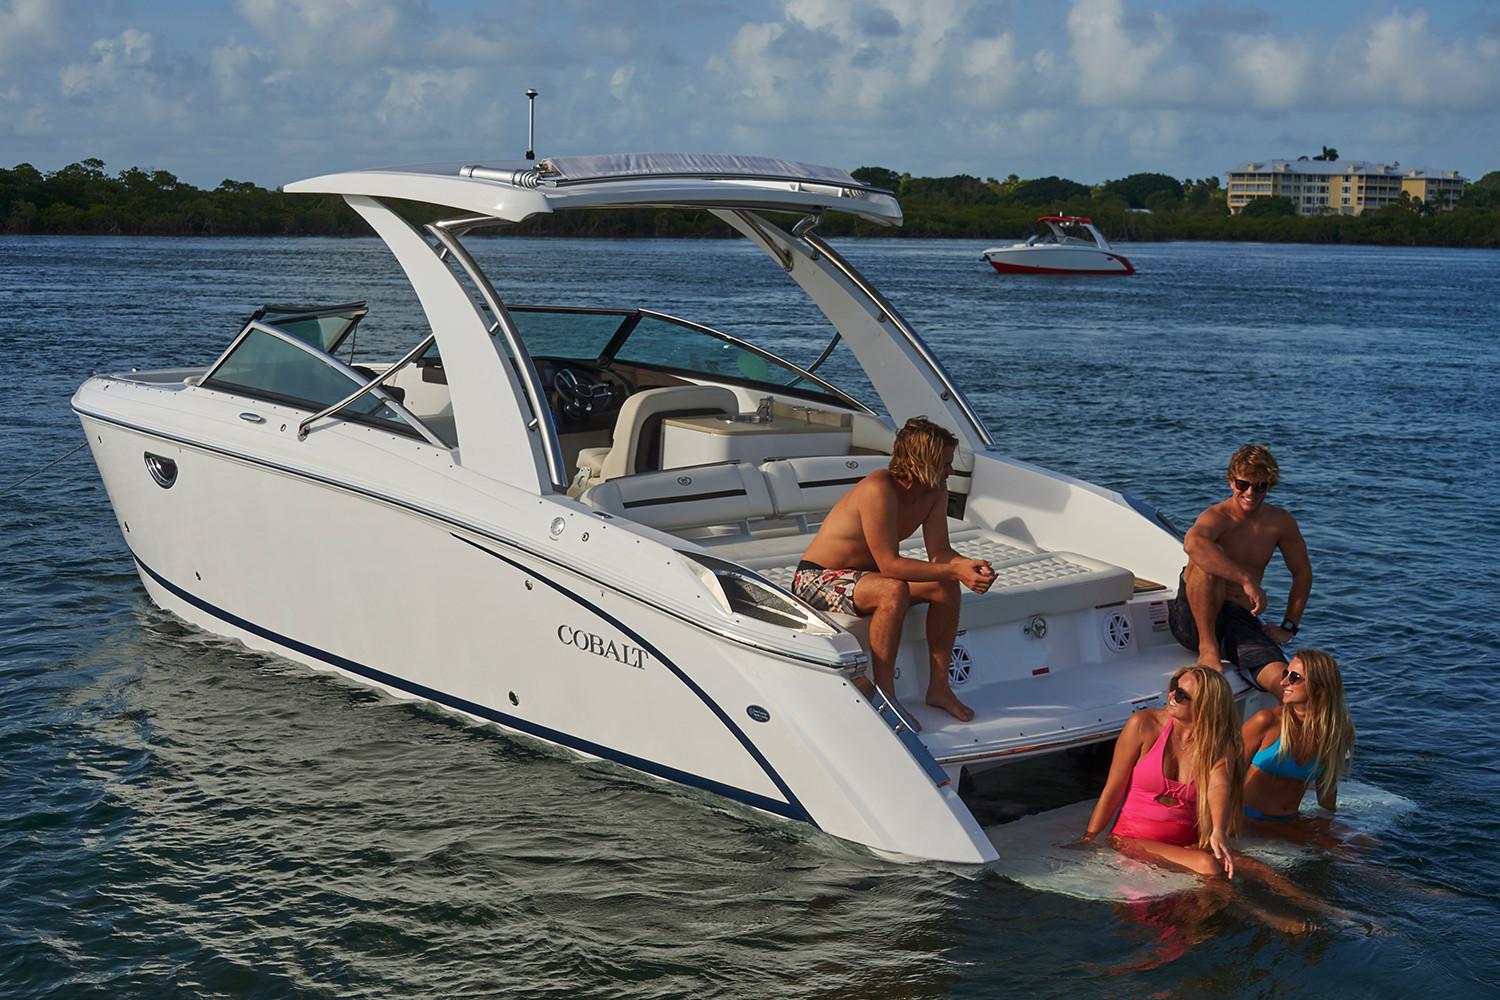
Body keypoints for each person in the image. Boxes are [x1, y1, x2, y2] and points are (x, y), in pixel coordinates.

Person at [792, 417, 995, 727]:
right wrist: (954, 571)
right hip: (816, 579)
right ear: (920, 462)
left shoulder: (935, 490)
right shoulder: (879, 489)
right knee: (893, 589)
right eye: (944, 463)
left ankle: (939, 688)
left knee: (944, 586)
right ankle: (885, 697)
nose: (950, 471)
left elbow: (940, 552)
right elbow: (890, 566)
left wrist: (965, 566)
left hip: (867, 578)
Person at [1168, 444, 1312, 692]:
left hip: (1238, 619)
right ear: (1231, 482)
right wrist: (1246, 579)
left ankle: (1283, 718)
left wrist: (1288, 627)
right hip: (1192, 620)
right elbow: (1192, 544)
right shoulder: (1217, 517)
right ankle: (1208, 647)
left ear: (1270, 486)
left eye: (1260, 486)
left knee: (1287, 684)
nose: (1250, 492)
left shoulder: (1280, 523)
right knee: (1207, 557)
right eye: (1243, 484)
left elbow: (1302, 573)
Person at [1081, 665, 1243, 878]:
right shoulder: (1144, 724)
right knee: (1207, 865)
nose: (1172, 696)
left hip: (1186, 846)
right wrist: (1090, 837)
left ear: (1205, 706)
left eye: (1182, 695)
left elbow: (1219, 784)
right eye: (1174, 687)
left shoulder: (1217, 744)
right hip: (1132, 839)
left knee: (1260, 870)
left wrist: (1218, 830)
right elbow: (1113, 788)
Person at [1241, 650, 1355, 822]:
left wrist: (1328, 826)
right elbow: (1227, 774)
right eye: (1285, 674)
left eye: (1295, 677)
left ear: (1319, 688)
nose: (1283, 682)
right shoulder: (1266, 721)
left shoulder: (1333, 733)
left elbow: (1326, 795)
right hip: (1247, 818)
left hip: (1290, 821)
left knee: (1364, 837)